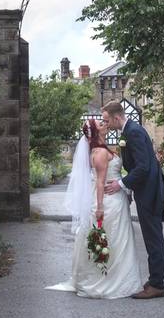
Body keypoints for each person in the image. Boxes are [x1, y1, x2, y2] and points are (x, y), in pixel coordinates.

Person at [46, 119, 144, 299]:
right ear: (95, 132)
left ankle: (120, 278)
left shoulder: (104, 148)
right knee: (109, 239)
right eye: (100, 124)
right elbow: (100, 182)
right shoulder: (99, 152)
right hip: (107, 201)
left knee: (118, 240)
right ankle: (105, 281)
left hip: (117, 199)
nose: (105, 124)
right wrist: (99, 208)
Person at [102, 101, 164, 299]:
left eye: (107, 120)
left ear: (116, 117)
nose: (106, 124)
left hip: (150, 191)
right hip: (145, 189)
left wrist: (120, 184)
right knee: (151, 236)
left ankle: (157, 285)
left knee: (153, 237)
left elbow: (143, 167)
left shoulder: (134, 132)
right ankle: (155, 280)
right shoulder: (129, 131)